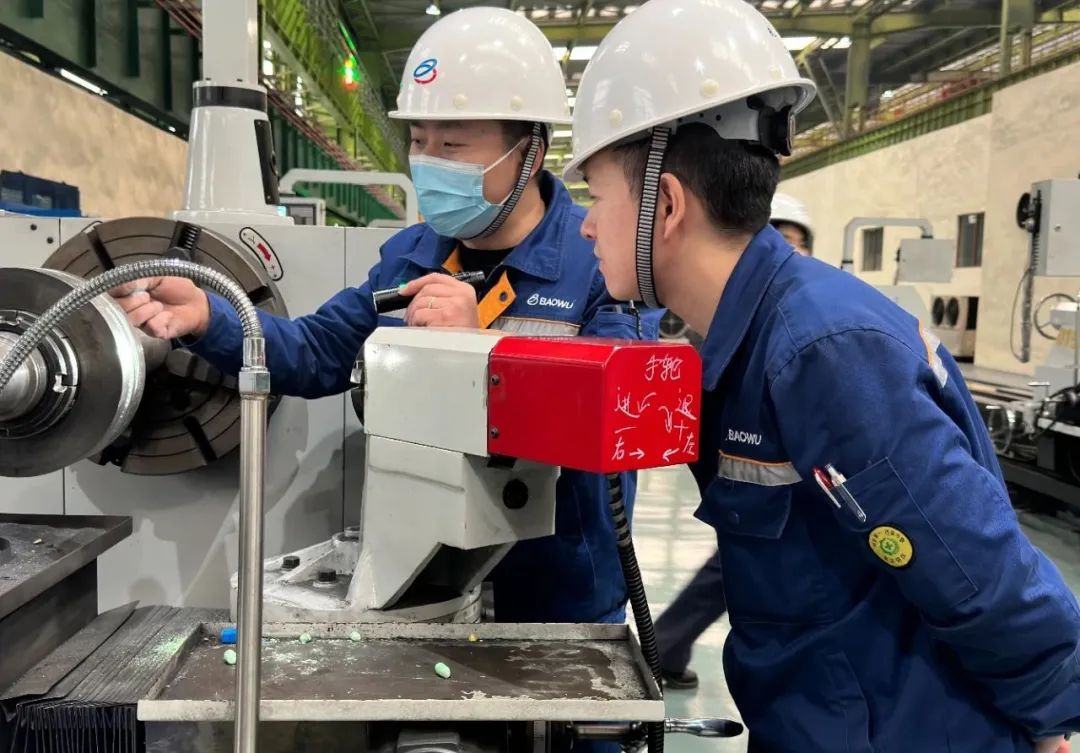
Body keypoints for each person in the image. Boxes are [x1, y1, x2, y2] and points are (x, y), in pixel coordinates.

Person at [565, 1, 1080, 751]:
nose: (585, 223)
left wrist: (1051, 712)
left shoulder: (820, 350)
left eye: (595, 195)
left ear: (665, 205)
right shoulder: (749, 341)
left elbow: (975, 565)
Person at [113, 7, 657, 628]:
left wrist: (480, 349)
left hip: (558, 597)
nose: (429, 161)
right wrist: (210, 314)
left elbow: (623, 415)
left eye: (453, 145)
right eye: (419, 141)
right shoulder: (410, 257)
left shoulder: (601, 259)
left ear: (529, 153)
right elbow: (315, 352)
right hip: (424, 580)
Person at [653, 195, 817, 690]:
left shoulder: (803, 315)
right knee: (739, 559)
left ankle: (668, 643)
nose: (791, 250)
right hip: (760, 478)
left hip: (787, 478)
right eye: (781, 238)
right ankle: (667, 643)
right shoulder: (734, 319)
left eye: (799, 242)